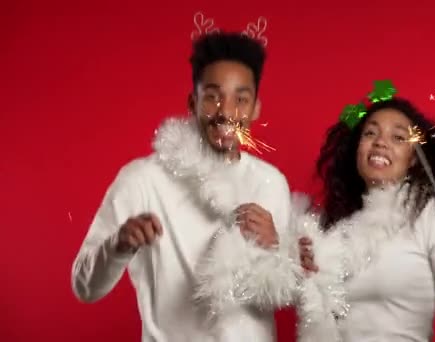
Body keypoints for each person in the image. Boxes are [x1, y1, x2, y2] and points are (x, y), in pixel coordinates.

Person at [70, 31, 296, 342]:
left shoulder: (272, 184)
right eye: (213, 96)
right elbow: (85, 287)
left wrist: (276, 248)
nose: (226, 112)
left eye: (240, 99)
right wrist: (117, 246)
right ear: (193, 101)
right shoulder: (142, 180)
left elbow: (281, 292)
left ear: (255, 108)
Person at [292, 85, 435, 342]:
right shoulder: (336, 227)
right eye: (370, 133)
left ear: (414, 158)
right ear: (357, 150)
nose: (380, 142)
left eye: (398, 137)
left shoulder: (432, 214)